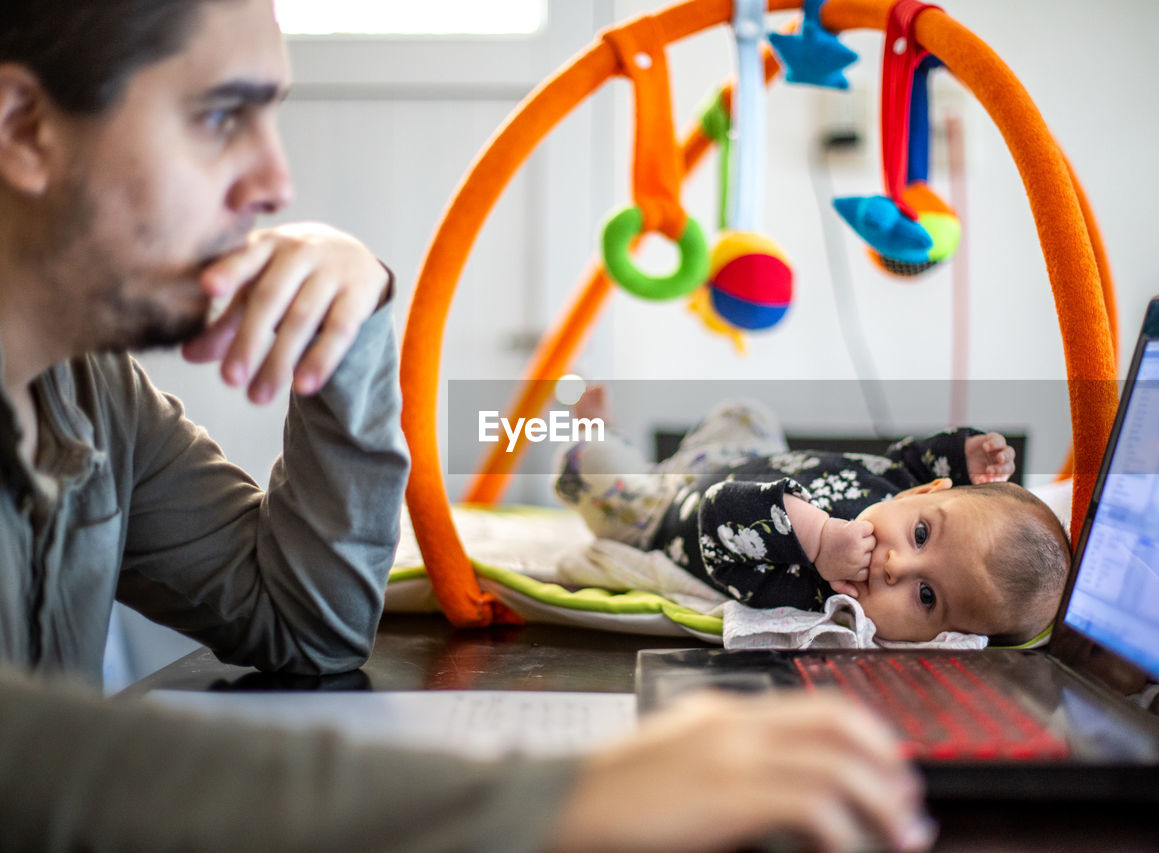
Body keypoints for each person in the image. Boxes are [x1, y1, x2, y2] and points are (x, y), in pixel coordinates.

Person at [0, 1, 935, 850]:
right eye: (218, 117)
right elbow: (33, 758)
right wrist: (565, 800)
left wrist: (355, 322)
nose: (275, 180)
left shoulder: (89, 392)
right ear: (23, 129)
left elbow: (302, 625)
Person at [556, 388, 1071, 645]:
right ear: (925, 491)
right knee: (746, 413)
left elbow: (719, 513)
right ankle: (660, 457)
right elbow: (913, 457)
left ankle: (598, 433)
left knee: (598, 468)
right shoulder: (898, 484)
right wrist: (964, 454)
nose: (896, 566)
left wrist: (819, 540)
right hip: (730, 459)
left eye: (927, 597)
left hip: (661, 512)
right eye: (920, 534)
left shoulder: (813, 594)